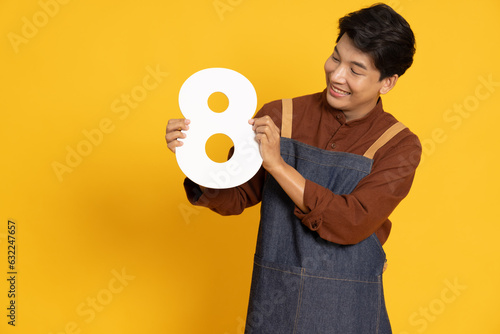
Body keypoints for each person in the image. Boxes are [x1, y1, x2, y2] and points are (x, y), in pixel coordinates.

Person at [166, 3, 421, 333]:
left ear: (387, 83)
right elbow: (236, 195)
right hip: (276, 301)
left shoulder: (398, 145)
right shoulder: (279, 116)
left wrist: (278, 165)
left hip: (350, 304)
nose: (337, 74)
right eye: (335, 57)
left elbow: (352, 221)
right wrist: (195, 159)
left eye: (356, 70)